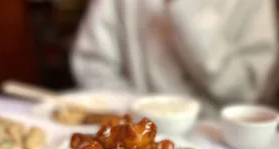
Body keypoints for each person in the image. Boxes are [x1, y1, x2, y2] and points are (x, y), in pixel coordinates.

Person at [70, 0, 278, 116]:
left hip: (217, 136)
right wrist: (137, 108)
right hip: (130, 122)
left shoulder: (254, 5)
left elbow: (245, 92)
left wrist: (190, 14)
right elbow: (92, 61)